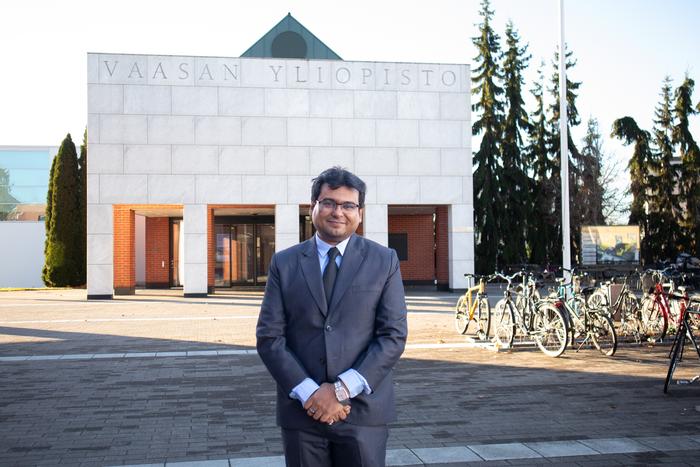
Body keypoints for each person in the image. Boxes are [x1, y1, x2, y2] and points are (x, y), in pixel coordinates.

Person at [256, 166, 408, 467]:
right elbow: (270, 337)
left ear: (360, 213)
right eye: (329, 202)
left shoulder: (384, 260)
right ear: (313, 206)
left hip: (362, 411)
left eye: (348, 205)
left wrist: (340, 390)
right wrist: (311, 394)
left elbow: (392, 336)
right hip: (302, 410)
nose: (338, 212)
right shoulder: (284, 263)